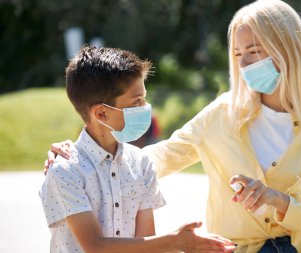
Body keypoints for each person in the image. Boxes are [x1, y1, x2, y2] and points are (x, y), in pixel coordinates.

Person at [45, 1, 301, 252]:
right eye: (239, 54)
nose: (244, 65)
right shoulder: (222, 113)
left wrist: (276, 199)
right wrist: (82, 156)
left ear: (287, 48)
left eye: (254, 51)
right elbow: (159, 158)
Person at [40, 45, 236, 253]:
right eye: (136, 102)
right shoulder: (66, 171)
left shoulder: (141, 163)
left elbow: (146, 244)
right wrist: (176, 242)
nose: (145, 108)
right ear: (101, 113)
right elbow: (94, 246)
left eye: (144, 98)